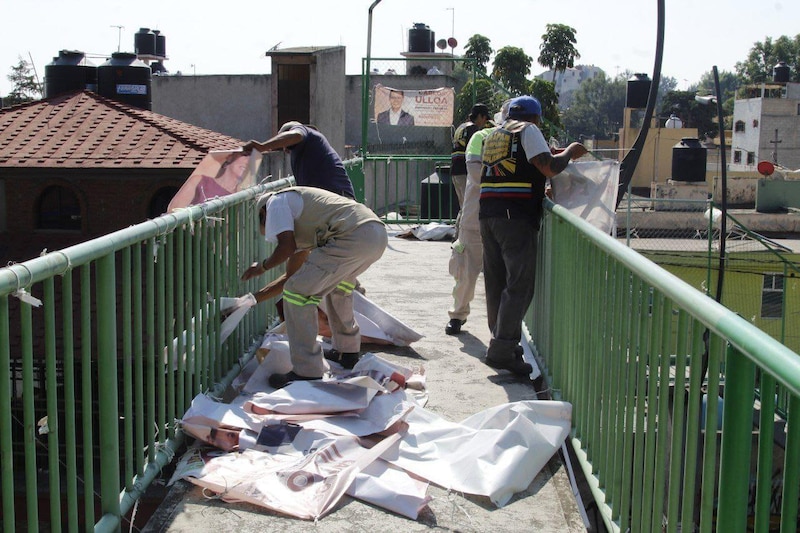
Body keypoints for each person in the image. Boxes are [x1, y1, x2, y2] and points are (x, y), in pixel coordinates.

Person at [479, 95, 587, 375]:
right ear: (536, 117)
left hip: (488, 214)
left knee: (496, 282)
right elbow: (549, 166)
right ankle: (502, 350)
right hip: (515, 216)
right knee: (519, 285)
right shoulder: (528, 130)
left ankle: (502, 339)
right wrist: (571, 152)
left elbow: (519, 166)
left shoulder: (495, 134)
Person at [241, 186, 387, 388]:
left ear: (263, 214)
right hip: (374, 234)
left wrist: (263, 266)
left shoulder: (276, 202)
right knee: (338, 288)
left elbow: (286, 250)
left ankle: (307, 371)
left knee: (296, 293)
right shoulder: (306, 217)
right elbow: (293, 276)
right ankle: (347, 351)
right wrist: (251, 300)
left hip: (351, 236)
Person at [445, 101, 508, 335]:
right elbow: (474, 172)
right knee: (466, 271)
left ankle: (502, 324)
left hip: (502, 216)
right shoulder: (480, 136)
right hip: (477, 215)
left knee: (500, 275)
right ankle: (458, 315)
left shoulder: (520, 140)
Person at [245, 121, 355, 199]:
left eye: (286, 146)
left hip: (335, 199)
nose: (286, 151)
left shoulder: (305, 131)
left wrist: (262, 147)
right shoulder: (310, 150)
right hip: (338, 199)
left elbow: (297, 135)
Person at [450, 104, 493, 234]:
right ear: (480, 116)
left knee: (463, 206)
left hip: (455, 171)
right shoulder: (473, 129)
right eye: (484, 118)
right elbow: (473, 151)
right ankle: (460, 237)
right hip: (464, 171)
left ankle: (458, 236)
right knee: (467, 207)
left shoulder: (461, 127)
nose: (484, 122)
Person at [167, 151, 251, 211]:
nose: (248, 161)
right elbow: (173, 211)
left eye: (251, 157)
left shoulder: (242, 198)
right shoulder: (199, 181)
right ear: (229, 157)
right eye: (245, 154)